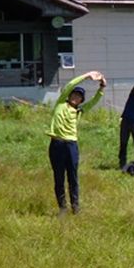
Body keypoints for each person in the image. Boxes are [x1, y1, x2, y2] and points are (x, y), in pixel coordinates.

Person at [48, 70, 106, 214]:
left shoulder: (79, 111)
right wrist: (87, 76)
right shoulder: (61, 103)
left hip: (71, 145)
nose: (76, 97)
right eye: (74, 94)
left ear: (81, 100)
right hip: (57, 144)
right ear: (69, 95)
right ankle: (62, 208)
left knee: (73, 177)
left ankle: (76, 207)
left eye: (79, 96)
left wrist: (102, 88)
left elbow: (93, 102)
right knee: (59, 177)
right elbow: (71, 84)